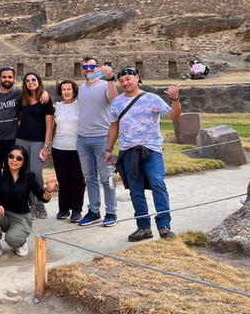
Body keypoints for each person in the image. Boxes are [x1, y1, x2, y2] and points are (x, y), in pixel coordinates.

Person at [106, 68, 181, 241]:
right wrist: (109, 150)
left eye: (128, 78)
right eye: (122, 80)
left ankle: (164, 225)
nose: (125, 83)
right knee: (135, 190)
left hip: (151, 150)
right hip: (128, 151)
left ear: (137, 78)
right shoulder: (117, 102)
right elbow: (114, 126)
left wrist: (175, 99)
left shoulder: (152, 99)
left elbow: (174, 116)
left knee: (158, 184)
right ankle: (143, 227)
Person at [0, 146, 56, 261]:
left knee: (12, 240)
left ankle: (21, 241)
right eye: (11, 156)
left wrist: (49, 190)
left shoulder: (29, 177)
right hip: (4, 214)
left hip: (21, 217)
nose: (14, 160)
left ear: (23, 162)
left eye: (19, 158)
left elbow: (43, 197)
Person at [76, 56, 119, 228]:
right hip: (82, 138)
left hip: (102, 137)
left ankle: (111, 211)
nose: (89, 69)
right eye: (85, 66)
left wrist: (110, 79)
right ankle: (94, 211)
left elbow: (115, 101)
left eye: (92, 66)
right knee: (90, 178)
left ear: (98, 68)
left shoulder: (104, 85)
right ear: (82, 69)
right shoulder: (81, 88)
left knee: (107, 177)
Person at [42, 80, 84, 223]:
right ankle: (63, 208)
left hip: (76, 147)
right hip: (59, 147)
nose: (66, 92)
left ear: (74, 91)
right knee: (63, 180)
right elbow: (53, 127)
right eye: (64, 89)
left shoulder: (80, 106)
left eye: (69, 89)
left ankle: (76, 209)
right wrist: (47, 145)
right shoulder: (57, 107)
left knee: (77, 180)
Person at [17, 72, 54, 219]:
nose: (31, 82)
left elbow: (49, 125)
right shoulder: (22, 99)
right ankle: (32, 203)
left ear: (39, 81)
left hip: (38, 141)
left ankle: (40, 201)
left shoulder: (45, 99)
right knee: (25, 173)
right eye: (27, 80)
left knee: (36, 172)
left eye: (34, 79)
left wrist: (46, 145)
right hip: (21, 140)